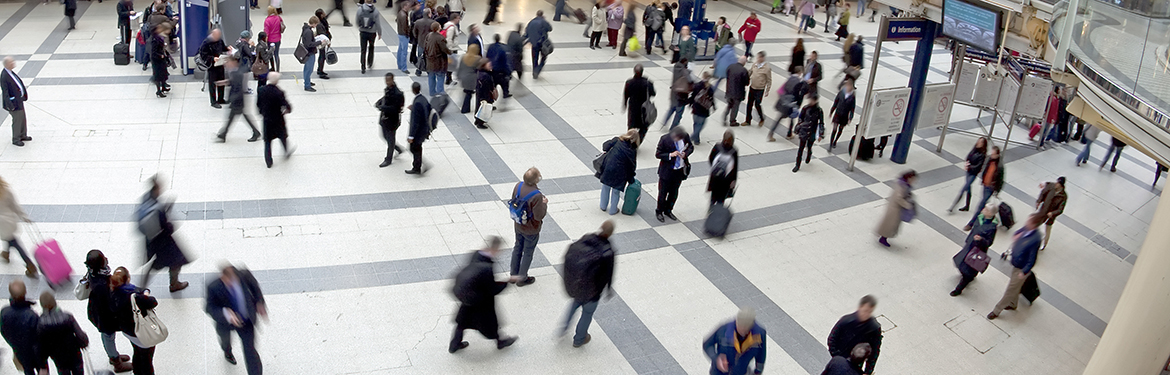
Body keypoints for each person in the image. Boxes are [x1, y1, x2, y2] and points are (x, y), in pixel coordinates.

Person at [449, 236, 518, 353]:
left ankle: (454, 345)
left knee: (462, 322)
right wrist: (508, 282)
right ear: (495, 249)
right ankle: (500, 341)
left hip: (468, 297)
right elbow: (492, 289)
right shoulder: (487, 268)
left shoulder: (476, 255)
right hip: (480, 301)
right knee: (490, 323)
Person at [561, 221, 616, 347]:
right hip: (593, 292)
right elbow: (609, 273)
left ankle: (563, 327)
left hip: (577, 284)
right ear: (610, 234)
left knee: (574, 305)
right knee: (587, 314)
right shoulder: (608, 251)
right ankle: (579, 339)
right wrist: (608, 289)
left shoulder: (586, 238)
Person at [206, 264, 265, 374]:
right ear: (222, 277)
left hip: (246, 321)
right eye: (228, 281)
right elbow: (209, 307)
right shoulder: (213, 287)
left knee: (250, 351)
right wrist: (226, 313)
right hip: (225, 323)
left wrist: (259, 302)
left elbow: (255, 288)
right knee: (225, 341)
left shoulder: (244, 275)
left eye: (233, 280)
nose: (231, 283)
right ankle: (227, 351)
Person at [137, 177, 190, 292]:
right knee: (176, 260)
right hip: (164, 243)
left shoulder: (146, 198)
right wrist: (170, 221)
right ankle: (174, 284)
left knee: (156, 265)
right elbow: (166, 227)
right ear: (157, 188)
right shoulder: (157, 208)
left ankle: (142, 287)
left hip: (152, 241)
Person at [83, 250, 133, 372]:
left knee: (108, 336)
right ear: (101, 263)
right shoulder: (102, 284)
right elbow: (109, 301)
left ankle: (114, 355)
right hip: (104, 315)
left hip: (98, 310)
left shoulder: (93, 273)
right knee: (108, 336)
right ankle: (116, 362)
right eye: (104, 258)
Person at [987, 213, 1044, 320]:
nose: (1026, 222)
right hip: (1016, 263)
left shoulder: (1035, 239)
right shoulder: (1027, 229)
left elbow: (1032, 259)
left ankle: (996, 310)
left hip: (1021, 269)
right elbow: (1019, 232)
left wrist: (1024, 271)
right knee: (1015, 288)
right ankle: (1013, 304)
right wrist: (1016, 235)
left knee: (1010, 290)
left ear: (1034, 225)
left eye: (1029, 221)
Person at [110, 267, 159, 375]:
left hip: (127, 331)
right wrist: (145, 295)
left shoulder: (112, 293)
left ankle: (137, 371)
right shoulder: (135, 296)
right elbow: (153, 302)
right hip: (142, 332)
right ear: (128, 279)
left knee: (137, 351)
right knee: (147, 359)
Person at [509, 168, 547, 286]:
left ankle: (513, 275)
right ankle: (522, 279)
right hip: (531, 229)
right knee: (528, 252)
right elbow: (538, 216)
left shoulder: (518, 186)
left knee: (517, 248)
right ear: (536, 179)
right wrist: (544, 203)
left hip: (518, 224)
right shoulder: (536, 195)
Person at [952, 202, 999, 296]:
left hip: (977, 250)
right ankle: (968, 276)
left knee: (968, 270)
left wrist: (981, 239)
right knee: (959, 261)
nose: (983, 209)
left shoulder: (992, 227)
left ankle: (959, 288)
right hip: (969, 245)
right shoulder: (980, 217)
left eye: (986, 209)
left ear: (990, 213)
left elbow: (989, 242)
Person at [827, 295, 883, 374]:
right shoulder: (846, 321)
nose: (866, 314)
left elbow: (875, 352)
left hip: (856, 362)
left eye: (869, 312)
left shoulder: (874, 328)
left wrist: (868, 371)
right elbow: (832, 338)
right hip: (841, 356)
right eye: (865, 310)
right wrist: (836, 355)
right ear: (860, 307)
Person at [36, 292, 88, 375]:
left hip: (58, 356)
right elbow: (80, 335)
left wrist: (43, 364)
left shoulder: (41, 323)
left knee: (62, 370)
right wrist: (83, 343)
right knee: (78, 369)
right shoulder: (67, 317)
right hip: (74, 352)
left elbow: (41, 346)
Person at [703, 308, 766, 375]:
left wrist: (758, 371)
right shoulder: (724, 331)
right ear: (736, 322)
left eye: (745, 329)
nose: (742, 331)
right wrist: (716, 359)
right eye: (740, 327)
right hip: (719, 372)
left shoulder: (759, 335)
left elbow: (761, 355)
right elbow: (707, 345)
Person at [215, 56, 261, 143]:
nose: (227, 64)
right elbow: (233, 82)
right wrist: (224, 82)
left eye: (228, 63)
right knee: (235, 117)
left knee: (234, 117)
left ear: (234, 63)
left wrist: (232, 98)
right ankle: (223, 134)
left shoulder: (237, 73)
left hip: (237, 99)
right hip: (237, 99)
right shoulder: (235, 72)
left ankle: (223, 134)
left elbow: (237, 86)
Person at [2, 280, 42, 375]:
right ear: (25, 292)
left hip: (19, 351)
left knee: (27, 369)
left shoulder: (4, 312)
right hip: (35, 352)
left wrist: (14, 345)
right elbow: (39, 336)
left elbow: (3, 331)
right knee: (41, 369)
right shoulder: (31, 315)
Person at [256, 73, 294, 168]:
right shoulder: (279, 92)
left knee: (267, 141)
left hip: (267, 119)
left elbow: (258, 104)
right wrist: (287, 110)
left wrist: (262, 113)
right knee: (282, 136)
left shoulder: (261, 90)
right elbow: (286, 105)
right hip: (278, 119)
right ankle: (286, 151)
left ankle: (268, 161)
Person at [655, 127, 692, 222]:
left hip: (679, 171)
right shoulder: (665, 139)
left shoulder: (685, 137)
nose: (678, 140)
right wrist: (670, 155)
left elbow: (691, 147)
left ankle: (668, 210)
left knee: (674, 193)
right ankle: (659, 211)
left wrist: (685, 153)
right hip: (667, 171)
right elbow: (658, 154)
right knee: (663, 193)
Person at [599, 130, 640, 215]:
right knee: (615, 191)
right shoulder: (632, 150)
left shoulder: (618, 140)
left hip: (609, 167)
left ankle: (603, 206)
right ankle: (613, 210)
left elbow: (605, 145)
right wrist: (631, 178)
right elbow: (632, 166)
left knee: (605, 187)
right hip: (621, 173)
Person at [965, 146, 1003, 230]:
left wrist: (997, 190)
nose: (991, 155)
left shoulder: (999, 166)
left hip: (990, 187)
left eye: (993, 154)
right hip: (985, 185)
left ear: (997, 155)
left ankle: (971, 223)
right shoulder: (989, 160)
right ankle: (989, 215)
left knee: (981, 205)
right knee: (983, 203)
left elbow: (1000, 179)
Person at [876, 170, 916, 247]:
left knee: (890, 225)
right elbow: (899, 198)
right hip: (895, 209)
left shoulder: (904, 185)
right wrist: (907, 205)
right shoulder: (901, 186)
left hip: (896, 209)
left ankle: (883, 235)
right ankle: (883, 237)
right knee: (889, 225)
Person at [947, 138, 987, 213]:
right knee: (968, 188)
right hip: (968, 172)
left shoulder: (982, 155)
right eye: (978, 141)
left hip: (973, 173)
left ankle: (953, 206)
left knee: (964, 188)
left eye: (980, 142)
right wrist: (967, 163)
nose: (978, 143)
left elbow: (978, 166)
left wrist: (969, 166)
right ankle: (967, 206)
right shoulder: (974, 149)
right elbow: (968, 157)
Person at [376, 73, 406, 168]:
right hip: (384, 118)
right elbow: (385, 98)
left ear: (392, 80)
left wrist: (383, 108)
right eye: (386, 80)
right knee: (384, 136)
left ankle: (388, 159)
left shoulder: (397, 94)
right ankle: (397, 148)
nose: (387, 82)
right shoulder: (388, 90)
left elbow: (396, 109)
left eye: (389, 80)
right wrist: (379, 102)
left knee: (390, 138)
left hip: (392, 120)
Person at [770, 66, 805, 142]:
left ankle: (773, 133)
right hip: (791, 102)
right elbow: (798, 94)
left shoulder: (790, 79)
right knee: (791, 117)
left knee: (781, 118)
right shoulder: (799, 81)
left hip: (784, 100)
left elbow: (784, 88)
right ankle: (788, 134)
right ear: (800, 72)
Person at [623, 64, 656, 142]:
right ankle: (638, 141)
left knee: (631, 126)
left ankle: (629, 141)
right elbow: (653, 94)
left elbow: (626, 95)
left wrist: (624, 104)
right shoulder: (648, 83)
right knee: (644, 126)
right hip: (644, 108)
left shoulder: (629, 82)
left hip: (633, 108)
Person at [406, 82, 433, 174]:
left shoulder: (417, 102)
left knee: (413, 148)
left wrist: (411, 136)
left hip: (419, 131)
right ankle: (418, 165)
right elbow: (428, 109)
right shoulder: (423, 99)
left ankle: (417, 167)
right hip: (424, 128)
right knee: (418, 148)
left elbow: (415, 122)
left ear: (413, 90)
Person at [3, 57, 30, 147]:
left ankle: (22, 134)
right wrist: (10, 105)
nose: (14, 63)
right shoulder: (4, 76)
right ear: (7, 64)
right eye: (12, 62)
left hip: (19, 100)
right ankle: (16, 138)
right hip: (14, 103)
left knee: (22, 118)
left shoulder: (10, 72)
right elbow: (5, 92)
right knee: (17, 120)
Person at [793, 94, 824, 172]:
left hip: (812, 131)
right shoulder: (805, 108)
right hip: (804, 130)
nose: (811, 101)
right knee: (801, 148)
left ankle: (809, 154)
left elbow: (821, 122)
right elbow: (800, 119)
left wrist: (820, 133)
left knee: (809, 146)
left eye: (812, 100)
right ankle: (797, 164)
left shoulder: (819, 110)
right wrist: (799, 127)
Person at [1035, 177, 1068, 251]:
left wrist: (1052, 213)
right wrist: (1038, 201)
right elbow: (1043, 193)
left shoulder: (1063, 196)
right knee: (1035, 224)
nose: (1056, 184)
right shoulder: (1051, 186)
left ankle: (1044, 244)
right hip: (1043, 210)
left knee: (1047, 229)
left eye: (1058, 183)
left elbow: (1060, 209)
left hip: (1051, 216)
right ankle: (1031, 238)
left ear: (1061, 185)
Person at [199, 29, 229, 108]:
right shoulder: (206, 43)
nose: (218, 37)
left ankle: (221, 98)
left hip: (220, 63)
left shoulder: (219, 40)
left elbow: (223, 48)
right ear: (212, 34)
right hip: (212, 66)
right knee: (212, 83)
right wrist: (212, 58)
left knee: (221, 81)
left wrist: (228, 49)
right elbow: (203, 55)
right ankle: (213, 101)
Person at [709, 130, 738, 206]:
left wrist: (714, 169)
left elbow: (711, 158)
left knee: (713, 196)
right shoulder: (734, 151)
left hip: (715, 177)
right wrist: (734, 180)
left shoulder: (717, 147)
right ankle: (718, 212)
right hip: (726, 179)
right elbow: (735, 167)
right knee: (721, 198)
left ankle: (711, 210)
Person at [423, 23, 451, 96]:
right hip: (439, 61)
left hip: (430, 60)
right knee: (440, 75)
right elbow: (444, 49)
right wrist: (450, 52)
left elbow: (425, 46)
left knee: (431, 76)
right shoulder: (440, 38)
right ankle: (440, 90)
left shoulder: (428, 35)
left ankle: (432, 91)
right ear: (438, 28)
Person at [663, 58, 692, 129]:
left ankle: (665, 123)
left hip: (673, 93)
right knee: (678, 114)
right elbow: (690, 80)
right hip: (681, 95)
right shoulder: (684, 71)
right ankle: (673, 128)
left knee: (671, 109)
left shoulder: (676, 67)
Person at [745, 52, 771, 128]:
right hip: (752, 87)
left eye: (759, 57)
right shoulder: (755, 64)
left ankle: (761, 118)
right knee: (749, 104)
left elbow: (769, 80)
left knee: (757, 104)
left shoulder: (767, 68)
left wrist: (767, 90)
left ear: (762, 58)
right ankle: (748, 120)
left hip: (760, 89)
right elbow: (750, 72)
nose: (757, 59)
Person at [828, 80, 855, 149]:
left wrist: (850, 118)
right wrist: (831, 111)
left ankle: (835, 140)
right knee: (834, 129)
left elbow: (852, 108)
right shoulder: (841, 93)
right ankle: (831, 143)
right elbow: (836, 102)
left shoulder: (852, 96)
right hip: (838, 113)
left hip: (845, 115)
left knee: (840, 129)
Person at [147, 24, 172, 99]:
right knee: (158, 75)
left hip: (161, 58)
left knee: (163, 73)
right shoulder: (154, 39)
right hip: (157, 60)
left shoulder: (159, 37)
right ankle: (159, 91)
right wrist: (160, 55)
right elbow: (153, 51)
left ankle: (164, 87)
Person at [524, 11, 552, 78]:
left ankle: (534, 72)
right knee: (543, 57)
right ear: (542, 15)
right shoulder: (543, 21)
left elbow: (527, 32)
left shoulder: (531, 22)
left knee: (534, 58)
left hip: (534, 43)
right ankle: (538, 70)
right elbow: (550, 29)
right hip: (542, 43)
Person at [356, 0, 381, 74]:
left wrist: (360, 27)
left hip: (363, 32)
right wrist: (379, 32)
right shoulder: (375, 11)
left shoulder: (360, 9)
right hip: (372, 32)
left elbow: (357, 20)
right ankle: (370, 62)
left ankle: (363, 66)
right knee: (371, 47)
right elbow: (378, 23)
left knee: (363, 49)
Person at [724, 56, 749, 127]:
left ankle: (724, 117)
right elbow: (746, 82)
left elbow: (727, 75)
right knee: (735, 107)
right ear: (744, 62)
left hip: (729, 90)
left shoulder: (730, 67)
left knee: (729, 105)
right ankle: (732, 121)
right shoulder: (743, 70)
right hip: (738, 92)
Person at [691, 71, 715, 143]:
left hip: (696, 108)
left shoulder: (697, 85)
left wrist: (690, 104)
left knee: (695, 124)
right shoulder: (710, 88)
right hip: (704, 110)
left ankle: (696, 139)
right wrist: (714, 106)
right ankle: (693, 137)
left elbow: (693, 96)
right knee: (700, 125)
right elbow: (711, 99)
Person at [301, 16, 324, 92]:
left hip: (307, 52)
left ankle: (307, 81)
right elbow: (309, 44)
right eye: (316, 24)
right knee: (309, 69)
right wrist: (320, 42)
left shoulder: (306, 29)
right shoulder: (309, 32)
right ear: (313, 24)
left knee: (307, 68)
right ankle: (307, 85)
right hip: (309, 52)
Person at [457, 45, 482, 113]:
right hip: (472, 78)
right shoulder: (478, 58)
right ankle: (465, 109)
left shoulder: (463, 57)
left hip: (463, 77)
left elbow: (460, 68)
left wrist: (458, 76)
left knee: (468, 92)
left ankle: (466, 108)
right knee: (470, 94)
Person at [487, 34, 512, 99]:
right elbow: (505, 61)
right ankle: (505, 93)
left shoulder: (491, 47)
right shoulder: (503, 48)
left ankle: (491, 96)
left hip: (493, 69)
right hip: (501, 70)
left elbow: (488, 57)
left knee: (493, 85)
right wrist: (509, 71)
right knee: (505, 84)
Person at [473, 60, 497, 128]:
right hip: (485, 94)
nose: (491, 66)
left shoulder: (480, 73)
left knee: (479, 106)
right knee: (484, 108)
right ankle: (480, 122)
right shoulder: (485, 76)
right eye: (489, 65)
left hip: (480, 93)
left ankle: (477, 119)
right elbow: (486, 87)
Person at [314, 9, 333, 81]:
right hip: (322, 42)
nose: (325, 13)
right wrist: (327, 41)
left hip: (326, 40)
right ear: (321, 15)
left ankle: (321, 70)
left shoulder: (323, 20)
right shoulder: (319, 24)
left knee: (323, 56)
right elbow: (322, 34)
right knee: (322, 56)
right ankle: (320, 71)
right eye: (323, 13)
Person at [262, 6, 284, 72]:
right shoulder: (279, 18)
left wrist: (265, 40)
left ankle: (272, 67)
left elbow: (266, 32)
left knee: (270, 54)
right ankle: (278, 69)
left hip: (270, 40)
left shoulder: (267, 20)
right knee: (276, 54)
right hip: (277, 38)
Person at [395, 1, 413, 73]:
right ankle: (404, 67)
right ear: (404, 6)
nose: (409, 7)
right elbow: (405, 27)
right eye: (408, 6)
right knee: (404, 52)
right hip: (403, 34)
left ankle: (399, 64)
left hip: (400, 33)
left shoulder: (400, 13)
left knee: (400, 50)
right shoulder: (404, 16)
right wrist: (408, 34)